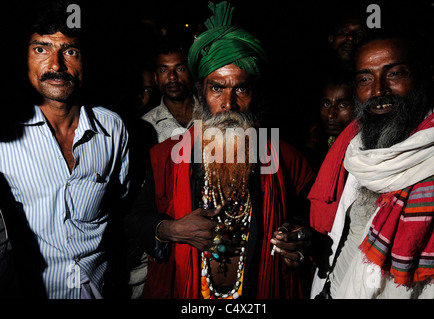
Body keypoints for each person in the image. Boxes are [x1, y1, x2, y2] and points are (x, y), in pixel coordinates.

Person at [125, 1, 315, 299]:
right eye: (217, 88)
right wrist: (171, 230)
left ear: (256, 94)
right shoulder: (164, 156)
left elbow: (313, 221)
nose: (229, 104)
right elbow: (133, 220)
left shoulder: (288, 159)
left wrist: (301, 238)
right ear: (201, 92)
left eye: (241, 88)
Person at [0, 1, 130, 298]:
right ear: (25, 58)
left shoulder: (113, 128)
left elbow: (121, 204)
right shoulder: (5, 138)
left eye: (70, 51)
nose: (56, 65)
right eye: (41, 49)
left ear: (86, 60)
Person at [308, 35, 434, 298]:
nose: (378, 91)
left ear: (428, 77)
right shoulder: (356, 148)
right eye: (365, 79)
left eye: (394, 73)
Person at [141, 39, 199, 143]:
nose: (172, 77)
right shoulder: (147, 125)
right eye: (164, 70)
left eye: (180, 69)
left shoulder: (211, 114)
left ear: (191, 72)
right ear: (155, 78)